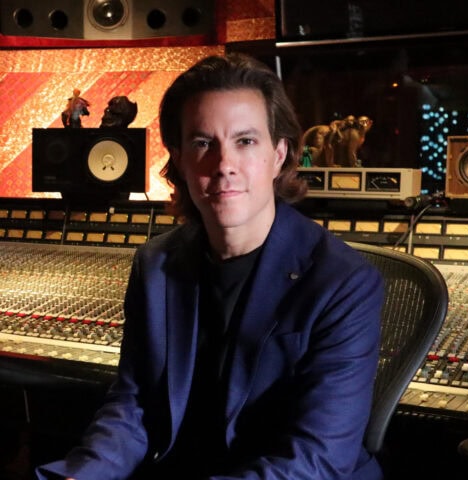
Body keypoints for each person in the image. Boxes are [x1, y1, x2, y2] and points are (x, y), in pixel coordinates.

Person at [36, 53, 384, 480]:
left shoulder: (344, 282)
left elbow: (316, 458)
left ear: (279, 154)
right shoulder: (156, 265)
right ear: (179, 159)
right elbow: (134, 403)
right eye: (203, 143)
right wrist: (80, 475)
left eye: (245, 141)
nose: (223, 165)